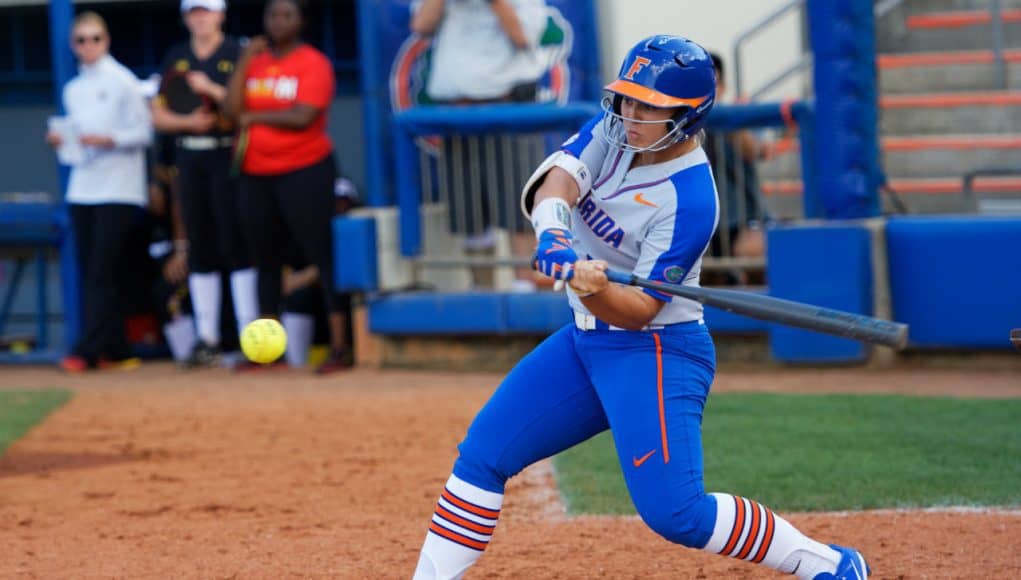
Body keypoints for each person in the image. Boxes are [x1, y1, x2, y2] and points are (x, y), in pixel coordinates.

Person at [411, 36, 870, 580]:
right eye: (628, 99)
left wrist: (591, 285)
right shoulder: (613, 131)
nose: (631, 114)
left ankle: (830, 565)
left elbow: (638, 310)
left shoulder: (692, 198)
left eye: (648, 105)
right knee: (483, 454)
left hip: (655, 350)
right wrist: (555, 236)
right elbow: (556, 184)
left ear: (687, 114)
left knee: (677, 514)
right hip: (586, 342)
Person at [224, 0, 352, 373]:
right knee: (264, 259)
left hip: (305, 169)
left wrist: (254, 116)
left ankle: (340, 348)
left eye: (287, 15)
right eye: (271, 15)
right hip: (255, 172)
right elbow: (231, 110)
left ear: (301, 21)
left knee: (322, 256)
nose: (277, 22)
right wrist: (246, 59)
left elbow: (303, 116)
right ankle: (267, 352)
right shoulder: (256, 61)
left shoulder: (313, 62)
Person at [410, 0, 550, 290]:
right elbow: (421, 26)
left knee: (519, 204)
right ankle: (481, 287)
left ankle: (523, 287)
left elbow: (524, 37)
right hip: (458, 112)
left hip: (509, 108)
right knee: (468, 210)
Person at [151, 0, 258, 368]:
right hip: (189, 156)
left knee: (236, 242)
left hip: (226, 154)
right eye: (194, 11)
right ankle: (207, 339)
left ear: (221, 14)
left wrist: (211, 89)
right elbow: (158, 113)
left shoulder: (237, 53)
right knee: (201, 246)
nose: (201, 17)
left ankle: (249, 337)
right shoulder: (176, 55)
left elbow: (242, 107)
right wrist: (188, 124)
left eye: (207, 10)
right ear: (185, 16)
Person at [47, 12, 153, 373]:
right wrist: (63, 139)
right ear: (73, 45)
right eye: (80, 40)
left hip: (120, 188)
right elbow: (76, 139)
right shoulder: (73, 89)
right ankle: (117, 347)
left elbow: (145, 132)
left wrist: (111, 139)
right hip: (83, 187)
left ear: (106, 41)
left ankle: (88, 349)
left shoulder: (124, 81)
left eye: (94, 39)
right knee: (93, 268)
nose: (88, 46)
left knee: (102, 270)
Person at [704, 51, 772, 265]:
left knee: (752, 251)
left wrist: (730, 120)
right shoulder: (680, 125)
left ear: (722, 87)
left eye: (710, 84)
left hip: (742, 217)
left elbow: (755, 151)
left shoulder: (738, 116)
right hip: (701, 220)